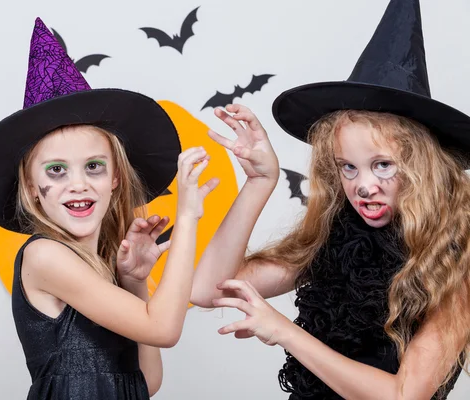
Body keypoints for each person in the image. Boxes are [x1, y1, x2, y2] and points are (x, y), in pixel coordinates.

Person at [190, 0, 470, 399]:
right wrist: (260, 181)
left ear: (421, 166)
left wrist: (284, 331)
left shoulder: (457, 257)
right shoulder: (336, 238)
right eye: (348, 167)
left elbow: (406, 396)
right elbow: (209, 290)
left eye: (383, 165)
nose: (363, 185)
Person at [0, 18, 218, 399]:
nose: (78, 183)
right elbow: (165, 329)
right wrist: (186, 216)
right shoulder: (44, 255)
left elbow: (145, 383)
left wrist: (134, 282)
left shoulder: (100, 270)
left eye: (93, 166)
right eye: (56, 170)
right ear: (32, 189)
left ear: (115, 177)